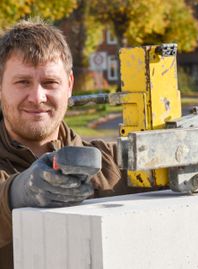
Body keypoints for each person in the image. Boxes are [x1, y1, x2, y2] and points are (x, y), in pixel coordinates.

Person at [0, 19, 132, 269]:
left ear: (69, 85)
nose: (37, 97)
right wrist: (19, 192)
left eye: (49, 83)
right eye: (22, 82)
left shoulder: (113, 163)